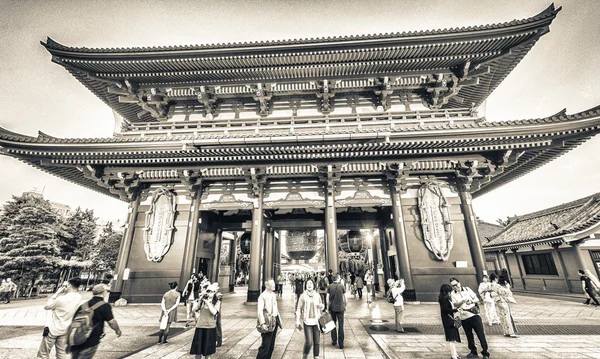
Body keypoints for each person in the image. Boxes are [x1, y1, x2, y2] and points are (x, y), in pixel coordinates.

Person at [69, 284, 122, 359]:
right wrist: (117, 330)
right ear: (103, 293)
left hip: (76, 339)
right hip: (91, 340)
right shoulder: (105, 306)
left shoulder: (84, 305)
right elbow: (111, 322)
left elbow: (73, 321)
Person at [37, 277, 82, 359]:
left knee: (43, 353)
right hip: (65, 329)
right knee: (61, 354)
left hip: (52, 329)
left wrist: (56, 293)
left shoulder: (61, 299)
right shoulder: (78, 298)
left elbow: (47, 306)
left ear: (69, 285)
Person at [449, 277, 490, 359]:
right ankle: (473, 351)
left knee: (480, 334)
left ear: (459, 283)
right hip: (464, 316)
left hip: (474, 315)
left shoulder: (467, 289)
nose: (455, 287)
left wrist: (471, 301)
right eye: (453, 286)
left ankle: (485, 353)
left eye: (456, 284)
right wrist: (462, 302)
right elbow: (455, 305)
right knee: (469, 335)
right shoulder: (453, 294)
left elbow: (476, 299)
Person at [190, 283, 221, 359]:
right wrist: (199, 300)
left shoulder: (217, 302)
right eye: (208, 291)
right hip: (200, 325)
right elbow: (194, 309)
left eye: (211, 292)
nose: (209, 293)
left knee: (208, 351)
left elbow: (214, 312)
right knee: (198, 350)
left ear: (214, 292)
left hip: (210, 327)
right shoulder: (202, 301)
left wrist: (208, 303)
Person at [296, 278, 325, 359]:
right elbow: (298, 309)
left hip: (316, 321)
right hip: (307, 322)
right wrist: (297, 320)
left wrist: (321, 306)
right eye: (308, 283)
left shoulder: (317, 295)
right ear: (306, 285)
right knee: (309, 342)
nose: (309, 285)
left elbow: (322, 306)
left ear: (314, 285)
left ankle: (316, 357)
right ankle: (304, 356)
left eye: (311, 283)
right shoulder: (303, 296)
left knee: (317, 342)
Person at [257, 278, 281, 359]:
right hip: (267, 322)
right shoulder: (262, 296)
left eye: (274, 283)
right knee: (265, 346)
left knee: (271, 345)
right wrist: (262, 323)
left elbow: (276, 308)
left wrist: (278, 320)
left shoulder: (273, 294)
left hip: (274, 320)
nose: (274, 285)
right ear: (267, 285)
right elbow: (260, 311)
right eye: (272, 284)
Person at [489, 272, 518, 338]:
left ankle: (506, 332)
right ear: (495, 279)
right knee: (507, 316)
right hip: (502, 301)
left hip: (497, 302)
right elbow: (505, 293)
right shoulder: (497, 286)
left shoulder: (490, 286)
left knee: (502, 317)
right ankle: (511, 332)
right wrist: (508, 288)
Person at [439, 283, 461, 359]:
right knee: (452, 339)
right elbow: (446, 309)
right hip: (449, 320)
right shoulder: (445, 298)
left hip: (447, 319)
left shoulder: (442, 297)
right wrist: (455, 310)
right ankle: (454, 355)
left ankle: (455, 355)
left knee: (452, 338)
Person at [326, 274, 346, 349]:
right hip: (340, 308)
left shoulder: (329, 286)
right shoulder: (342, 286)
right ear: (338, 278)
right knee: (341, 325)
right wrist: (344, 306)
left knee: (333, 324)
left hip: (332, 308)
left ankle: (334, 341)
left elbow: (327, 298)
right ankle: (341, 343)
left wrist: (328, 306)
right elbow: (344, 298)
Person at [213, 282, 223, 347]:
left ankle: (219, 340)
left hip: (217, 312)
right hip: (212, 312)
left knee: (217, 325)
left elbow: (215, 301)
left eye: (215, 286)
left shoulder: (219, 294)